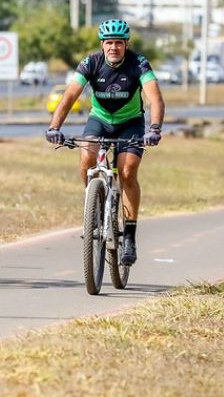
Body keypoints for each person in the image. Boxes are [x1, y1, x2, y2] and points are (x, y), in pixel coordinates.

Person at [45, 18, 165, 266]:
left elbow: (155, 98)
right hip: (99, 120)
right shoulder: (90, 63)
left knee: (127, 171)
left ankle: (129, 234)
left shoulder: (139, 63)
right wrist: (54, 127)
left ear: (126, 44)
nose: (113, 47)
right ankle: (92, 201)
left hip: (130, 122)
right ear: (102, 45)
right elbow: (69, 96)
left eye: (118, 43)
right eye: (109, 43)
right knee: (87, 155)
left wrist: (154, 128)